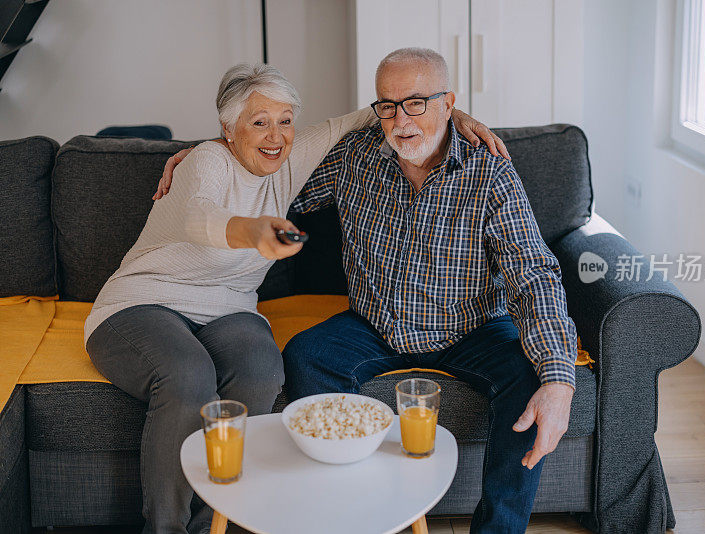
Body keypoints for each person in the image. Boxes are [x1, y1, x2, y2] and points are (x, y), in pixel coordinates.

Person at [86, 62, 502, 534]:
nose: (276, 136)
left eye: (285, 120)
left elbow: (376, 114)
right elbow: (198, 217)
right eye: (259, 121)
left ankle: (211, 524)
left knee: (263, 370)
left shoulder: (292, 155)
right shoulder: (205, 161)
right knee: (188, 375)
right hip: (143, 302)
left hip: (229, 307)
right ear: (228, 128)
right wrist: (254, 231)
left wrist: (457, 115)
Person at [281, 48, 579, 533]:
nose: (401, 120)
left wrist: (559, 379)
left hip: (472, 328)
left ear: (449, 104)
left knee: (531, 375)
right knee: (307, 355)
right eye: (388, 105)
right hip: (374, 325)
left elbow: (533, 274)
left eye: (417, 103)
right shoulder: (354, 157)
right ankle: (352, 516)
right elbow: (274, 178)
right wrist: (212, 158)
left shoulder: (490, 174)